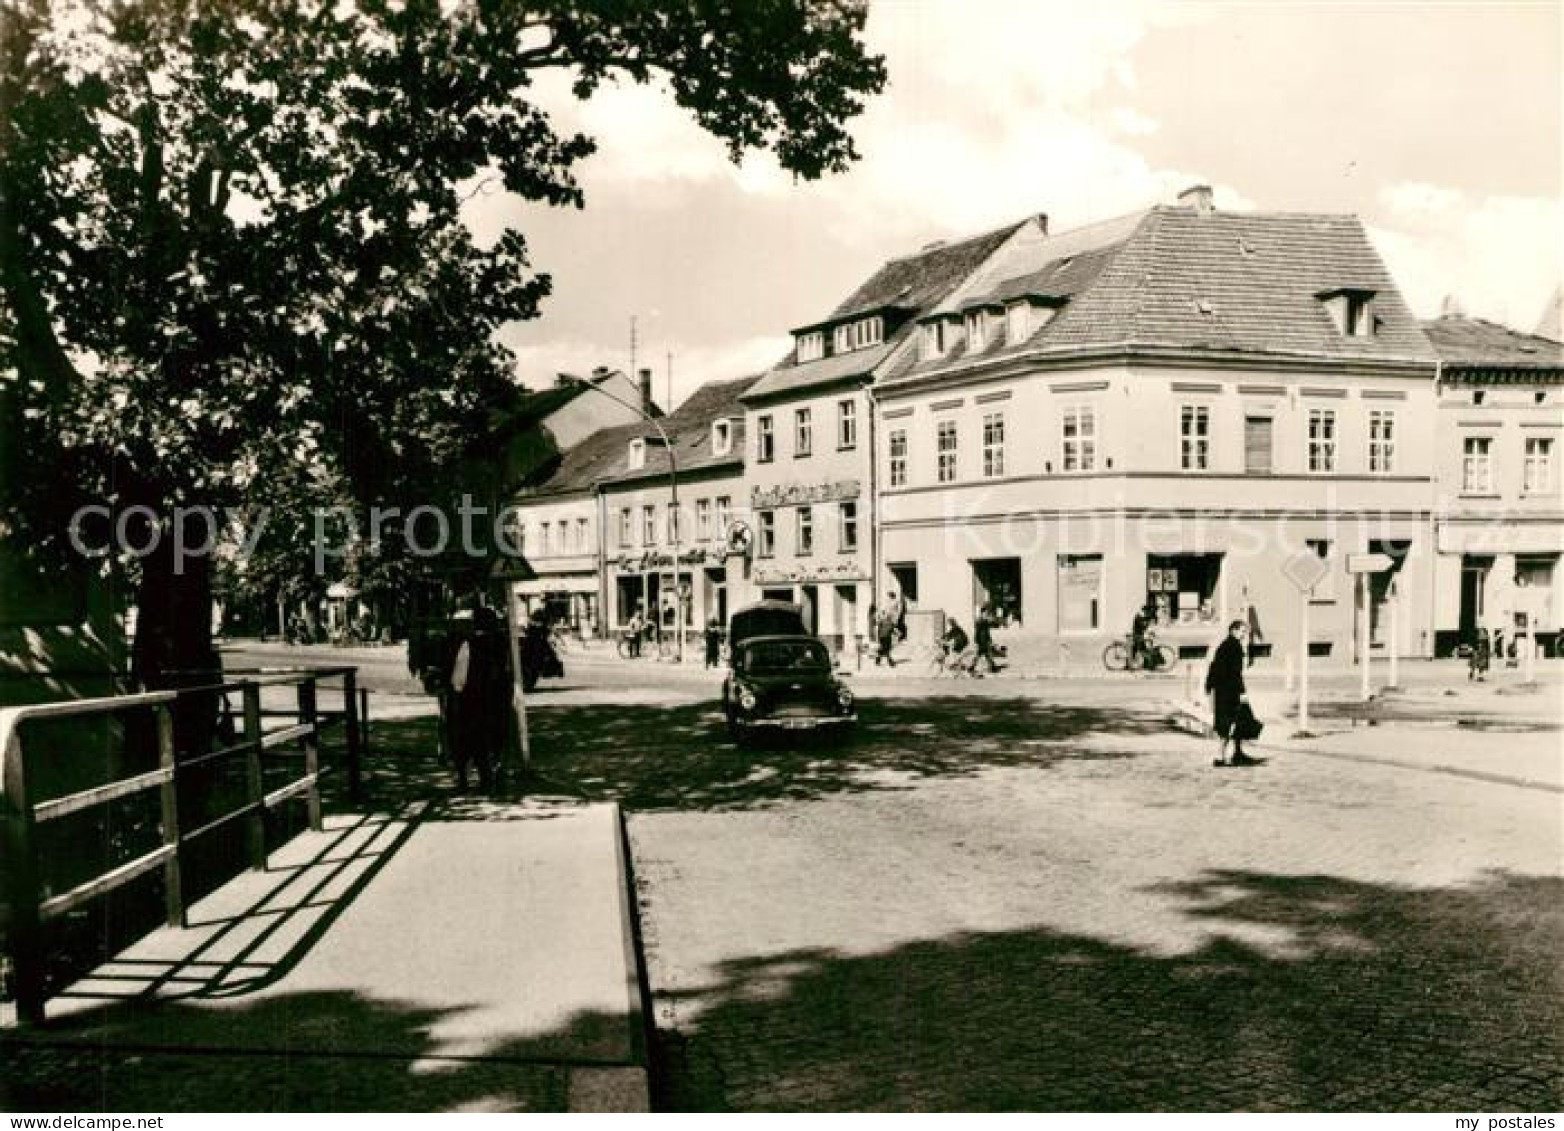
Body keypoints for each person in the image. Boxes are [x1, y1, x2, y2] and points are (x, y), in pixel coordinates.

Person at [448, 593, 511, 792]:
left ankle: (464, 780)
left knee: (467, 741)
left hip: (472, 702)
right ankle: (489, 779)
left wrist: (456, 696)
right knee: (493, 740)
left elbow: (459, 677)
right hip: (497, 701)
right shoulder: (503, 644)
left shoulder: (469, 645)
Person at [1205, 619, 1255, 767]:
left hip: (1222, 690)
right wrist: (1242, 692)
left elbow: (1213, 667)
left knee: (1238, 721)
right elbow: (1235, 673)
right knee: (1227, 724)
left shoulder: (1225, 645)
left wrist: (1209, 686)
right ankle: (1220, 758)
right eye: (1242, 631)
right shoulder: (1234, 647)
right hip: (1228, 691)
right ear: (1233, 630)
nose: (1244, 634)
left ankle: (1237, 753)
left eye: (1245, 632)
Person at [974, 608, 1002, 674]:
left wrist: (996, 620)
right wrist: (977, 640)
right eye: (985, 613)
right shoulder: (980, 621)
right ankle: (993, 668)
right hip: (982, 640)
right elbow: (977, 631)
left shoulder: (984, 621)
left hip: (985, 639)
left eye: (987, 613)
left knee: (982, 654)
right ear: (982, 613)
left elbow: (995, 625)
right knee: (986, 654)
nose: (986, 614)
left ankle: (972, 667)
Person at [874, 601, 898, 667]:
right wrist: (877, 637)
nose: (888, 616)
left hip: (888, 638)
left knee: (885, 649)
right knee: (886, 650)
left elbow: (893, 630)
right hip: (883, 637)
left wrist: (897, 634)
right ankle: (890, 662)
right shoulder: (882, 621)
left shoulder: (891, 623)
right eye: (887, 615)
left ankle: (878, 659)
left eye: (889, 616)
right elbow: (878, 629)